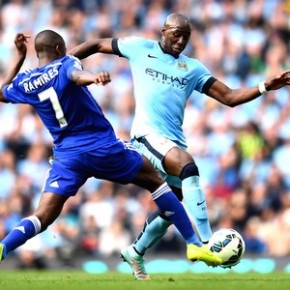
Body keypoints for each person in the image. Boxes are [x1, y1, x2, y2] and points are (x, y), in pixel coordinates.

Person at [69, 12, 290, 280]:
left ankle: (136, 251)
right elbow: (97, 44)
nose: (181, 40)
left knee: (171, 206)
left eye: (186, 36)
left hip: (172, 140)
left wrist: (265, 86)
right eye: (177, 34)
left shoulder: (193, 68)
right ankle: (206, 242)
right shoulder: (140, 48)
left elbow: (229, 97)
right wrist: (66, 64)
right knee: (188, 166)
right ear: (164, 30)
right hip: (146, 136)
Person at [0, 30, 223, 273]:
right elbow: (75, 75)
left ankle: (4, 246)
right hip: (102, 147)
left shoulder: (26, 81)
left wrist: (20, 57)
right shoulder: (65, 63)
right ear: (58, 50)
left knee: (42, 216)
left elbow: (1, 92)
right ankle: (193, 244)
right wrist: (93, 77)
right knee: (156, 182)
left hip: (67, 157)